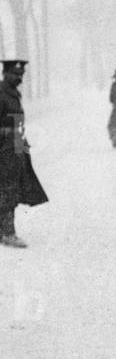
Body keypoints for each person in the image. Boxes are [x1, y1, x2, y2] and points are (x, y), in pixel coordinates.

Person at [0, 60, 48, 248]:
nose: (19, 78)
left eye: (21, 75)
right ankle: (8, 233)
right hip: (4, 149)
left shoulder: (13, 94)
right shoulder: (2, 93)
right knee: (8, 189)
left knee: (15, 186)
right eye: (15, 74)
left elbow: (17, 121)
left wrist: (22, 150)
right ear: (5, 74)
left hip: (15, 148)